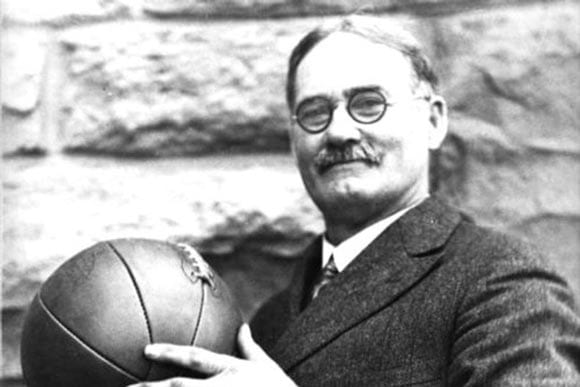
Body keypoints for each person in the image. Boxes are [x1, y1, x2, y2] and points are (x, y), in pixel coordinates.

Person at [128, 15, 580, 386]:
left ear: (433, 121)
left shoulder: (499, 278)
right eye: (315, 113)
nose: (339, 131)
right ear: (293, 140)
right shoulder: (266, 322)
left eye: (369, 104)